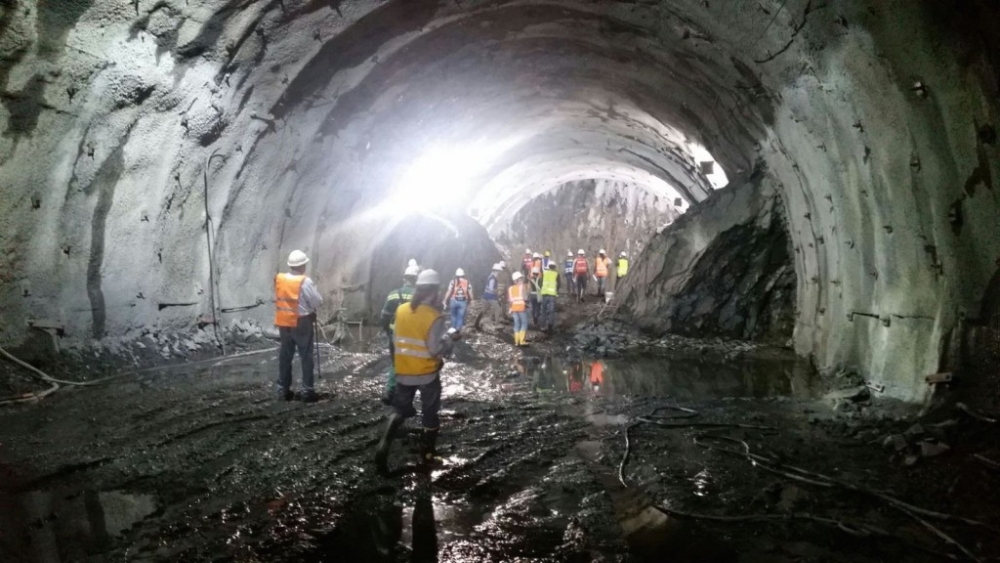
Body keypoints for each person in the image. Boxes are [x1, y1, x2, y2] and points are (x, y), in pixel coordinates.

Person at [375, 270, 460, 472]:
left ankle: (384, 443)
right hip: (427, 373)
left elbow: (395, 340)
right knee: (430, 413)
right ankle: (428, 454)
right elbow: (434, 349)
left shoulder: (402, 310)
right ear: (434, 291)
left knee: (399, 410)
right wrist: (450, 340)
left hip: (404, 371)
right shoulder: (434, 316)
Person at [274, 250, 323, 402]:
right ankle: (307, 391)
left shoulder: (280, 279)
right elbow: (317, 301)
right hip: (301, 322)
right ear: (302, 265)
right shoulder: (304, 281)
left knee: (285, 356)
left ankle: (283, 389)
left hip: (284, 322)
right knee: (306, 356)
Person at [378, 263, 419, 405]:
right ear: (416, 279)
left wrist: (386, 329)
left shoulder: (393, 294)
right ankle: (405, 394)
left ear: (404, 278)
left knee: (396, 361)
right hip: (412, 334)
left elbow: (384, 315)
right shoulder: (419, 296)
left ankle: (390, 390)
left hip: (395, 332)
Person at [508, 272, 529, 346]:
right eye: (521, 278)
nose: (522, 280)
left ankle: (516, 342)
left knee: (516, 324)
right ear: (518, 279)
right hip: (521, 307)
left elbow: (510, 300)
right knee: (524, 323)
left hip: (514, 308)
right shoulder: (522, 287)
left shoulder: (510, 288)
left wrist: (510, 308)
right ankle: (522, 341)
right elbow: (525, 298)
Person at [540, 261, 560, 331]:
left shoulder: (544, 273)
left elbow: (541, 282)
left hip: (544, 294)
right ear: (554, 267)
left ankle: (542, 326)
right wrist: (556, 290)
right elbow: (559, 284)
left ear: (548, 266)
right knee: (551, 311)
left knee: (543, 310)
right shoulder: (556, 274)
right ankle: (550, 326)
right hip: (552, 295)